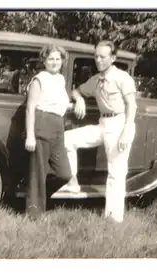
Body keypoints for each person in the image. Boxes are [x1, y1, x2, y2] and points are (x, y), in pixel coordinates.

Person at [62, 40, 138, 223]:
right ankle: (72, 184)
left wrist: (127, 131)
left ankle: (113, 218)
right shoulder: (96, 80)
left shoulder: (122, 78)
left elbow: (132, 105)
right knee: (67, 139)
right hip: (103, 124)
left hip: (120, 124)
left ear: (112, 58)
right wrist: (79, 99)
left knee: (116, 171)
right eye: (96, 56)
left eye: (102, 57)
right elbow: (76, 91)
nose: (98, 60)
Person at [24, 44, 73, 219]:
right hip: (42, 123)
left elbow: (60, 102)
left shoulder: (60, 79)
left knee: (64, 173)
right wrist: (30, 135)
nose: (54, 62)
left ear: (62, 61)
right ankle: (34, 214)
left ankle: (37, 198)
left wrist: (78, 101)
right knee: (38, 171)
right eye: (50, 58)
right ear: (44, 61)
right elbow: (30, 108)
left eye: (57, 59)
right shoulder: (40, 79)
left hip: (58, 126)